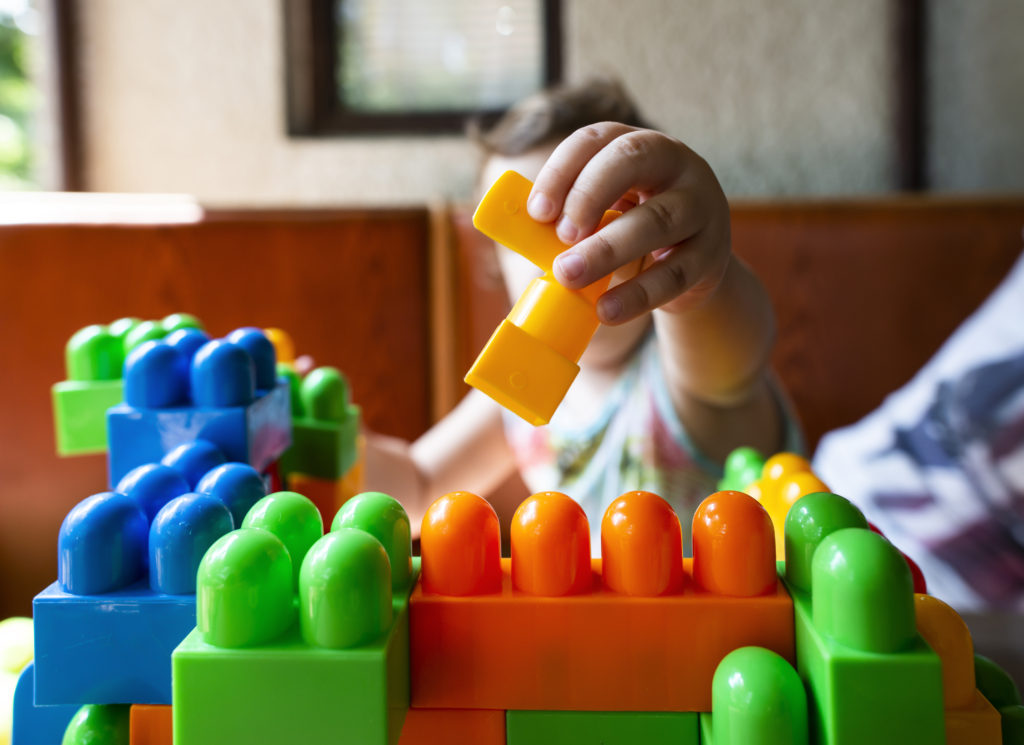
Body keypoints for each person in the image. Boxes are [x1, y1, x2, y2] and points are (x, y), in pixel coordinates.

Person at [366, 79, 801, 551]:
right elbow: (418, 485)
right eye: (525, 236)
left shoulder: (684, 372)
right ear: (495, 265)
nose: (565, 257)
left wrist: (700, 269)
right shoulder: (515, 392)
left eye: (594, 223)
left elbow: (732, 360)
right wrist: (327, 441)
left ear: (651, 235)